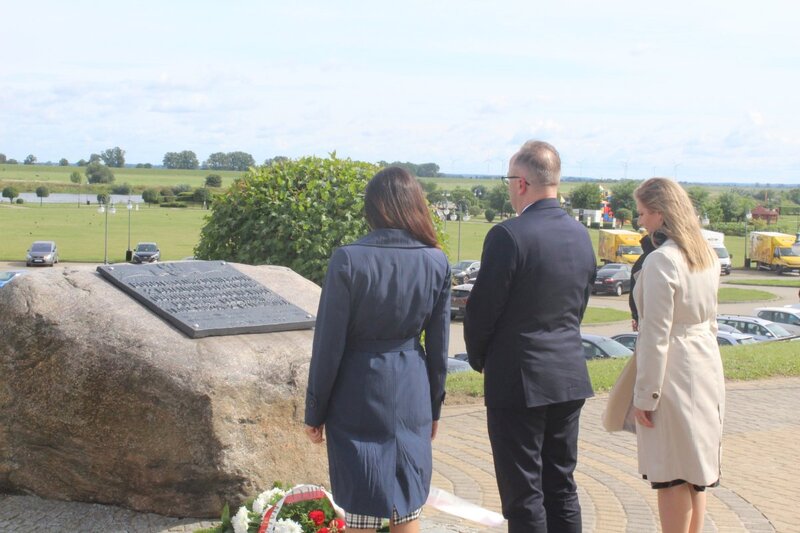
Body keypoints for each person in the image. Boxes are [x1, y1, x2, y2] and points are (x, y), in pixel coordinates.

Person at [304, 166, 451, 533]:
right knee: (408, 507)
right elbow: (439, 346)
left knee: (361, 508)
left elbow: (328, 344)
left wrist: (315, 410)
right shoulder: (437, 261)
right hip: (412, 390)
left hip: (358, 391)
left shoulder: (348, 259)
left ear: (373, 209)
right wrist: (434, 405)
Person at [464, 140, 596, 533]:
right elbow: (579, 304)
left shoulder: (509, 235)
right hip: (568, 375)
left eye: (508, 179)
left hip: (519, 380)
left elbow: (481, 312)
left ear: (521, 183)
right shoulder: (580, 235)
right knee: (560, 487)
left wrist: (480, 358)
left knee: (524, 497)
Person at [632, 177, 725, 533]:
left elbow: (655, 334)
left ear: (659, 212)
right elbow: (712, 321)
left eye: (642, 213)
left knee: (670, 473)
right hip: (705, 364)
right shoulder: (706, 255)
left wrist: (645, 395)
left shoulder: (662, 261)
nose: (640, 221)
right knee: (695, 471)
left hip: (672, 371)